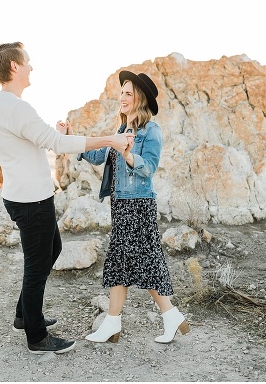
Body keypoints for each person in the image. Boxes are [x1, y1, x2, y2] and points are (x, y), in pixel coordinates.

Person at [0, 42, 134, 354]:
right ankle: (37, 337)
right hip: (30, 201)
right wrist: (110, 139)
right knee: (37, 266)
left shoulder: (1, 105)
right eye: (27, 62)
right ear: (14, 66)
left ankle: (23, 316)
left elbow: (35, 142)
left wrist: (56, 134)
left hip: (26, 196)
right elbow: (55, 143)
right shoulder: (16, 107)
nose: (31, 67)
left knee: (52, 249)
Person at [76, 71, 190, 344]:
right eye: (122, 92)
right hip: (121, 206)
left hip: (139, 206)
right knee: (126, 262)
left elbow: (148, 168)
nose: (122, 97)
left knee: (132, 262)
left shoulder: (151, 130)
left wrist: (128, 155)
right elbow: (99, 154)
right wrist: (73, 141)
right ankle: (164, 317)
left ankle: (119, 323)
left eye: (128, 93)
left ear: (140, 98)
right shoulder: (120, 130)